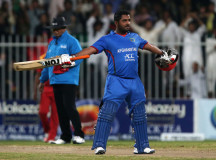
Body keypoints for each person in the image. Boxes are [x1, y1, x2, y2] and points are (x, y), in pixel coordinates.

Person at [73, 10, 170, 155]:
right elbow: (90, 50)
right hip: (116, 80)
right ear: (116, 22)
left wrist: (162, 53)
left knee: (140, 114)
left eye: (129, 20)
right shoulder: (107, 39)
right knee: (107, 112)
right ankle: (99, 145)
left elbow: (148, 46)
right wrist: (73, 57)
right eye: (125, 21)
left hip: (135, 80)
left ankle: (142, 146)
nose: (128, 23)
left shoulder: (134, 37)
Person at [39, 16, 85, 144]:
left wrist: (68, 63)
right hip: (55, 80)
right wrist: (42, 80)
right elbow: (47, 63)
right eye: (53, 29)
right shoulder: (52, 43)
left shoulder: (72, 41)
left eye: (57, 29)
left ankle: (79, 135)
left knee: (69, 107)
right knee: (60, 109)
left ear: (64, 28)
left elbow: (80, 57)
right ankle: (65, 136)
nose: (55, 31)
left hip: (69, 80)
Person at [34, 54, 59, 143]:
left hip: (57, 88)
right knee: (42, 112)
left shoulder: (61, 56)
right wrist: (35, 91)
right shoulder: (42, 57)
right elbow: (38, 74)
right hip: (46, 88)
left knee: (55, 115)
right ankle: (47, 131)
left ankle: (51, 137)